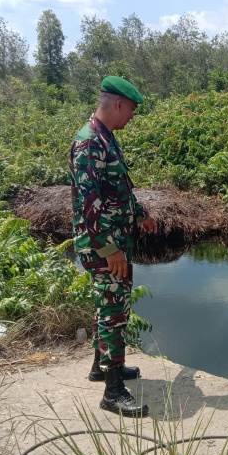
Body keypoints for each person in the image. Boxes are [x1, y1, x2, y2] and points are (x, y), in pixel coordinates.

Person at [68, 76, 157, 417]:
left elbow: (117, 191)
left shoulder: (105, 139)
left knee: (107, 307)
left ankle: (100, 367)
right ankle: (113, 390)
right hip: (105, 246)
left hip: (114, 240)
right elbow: (89, 204)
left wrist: (141, 214)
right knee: (114, 315)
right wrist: (110, 251)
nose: (131, 118)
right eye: (130, 111)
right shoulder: (90, 143)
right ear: (117, 104)